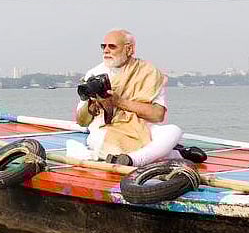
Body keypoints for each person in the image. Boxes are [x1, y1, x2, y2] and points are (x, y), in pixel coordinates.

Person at [75, 29, 189, 167]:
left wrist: (119, 102)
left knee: (173, 131)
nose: (106, 50)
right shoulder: (94, 74)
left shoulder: (147, 72)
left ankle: (133, 159)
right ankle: (175, 154)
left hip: (140, 127)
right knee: (105, 145)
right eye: (103, 46)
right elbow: (81, 121)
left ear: (129, 49)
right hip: (107, 128)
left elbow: (158, 115)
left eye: (112, 46)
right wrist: (91, 106)